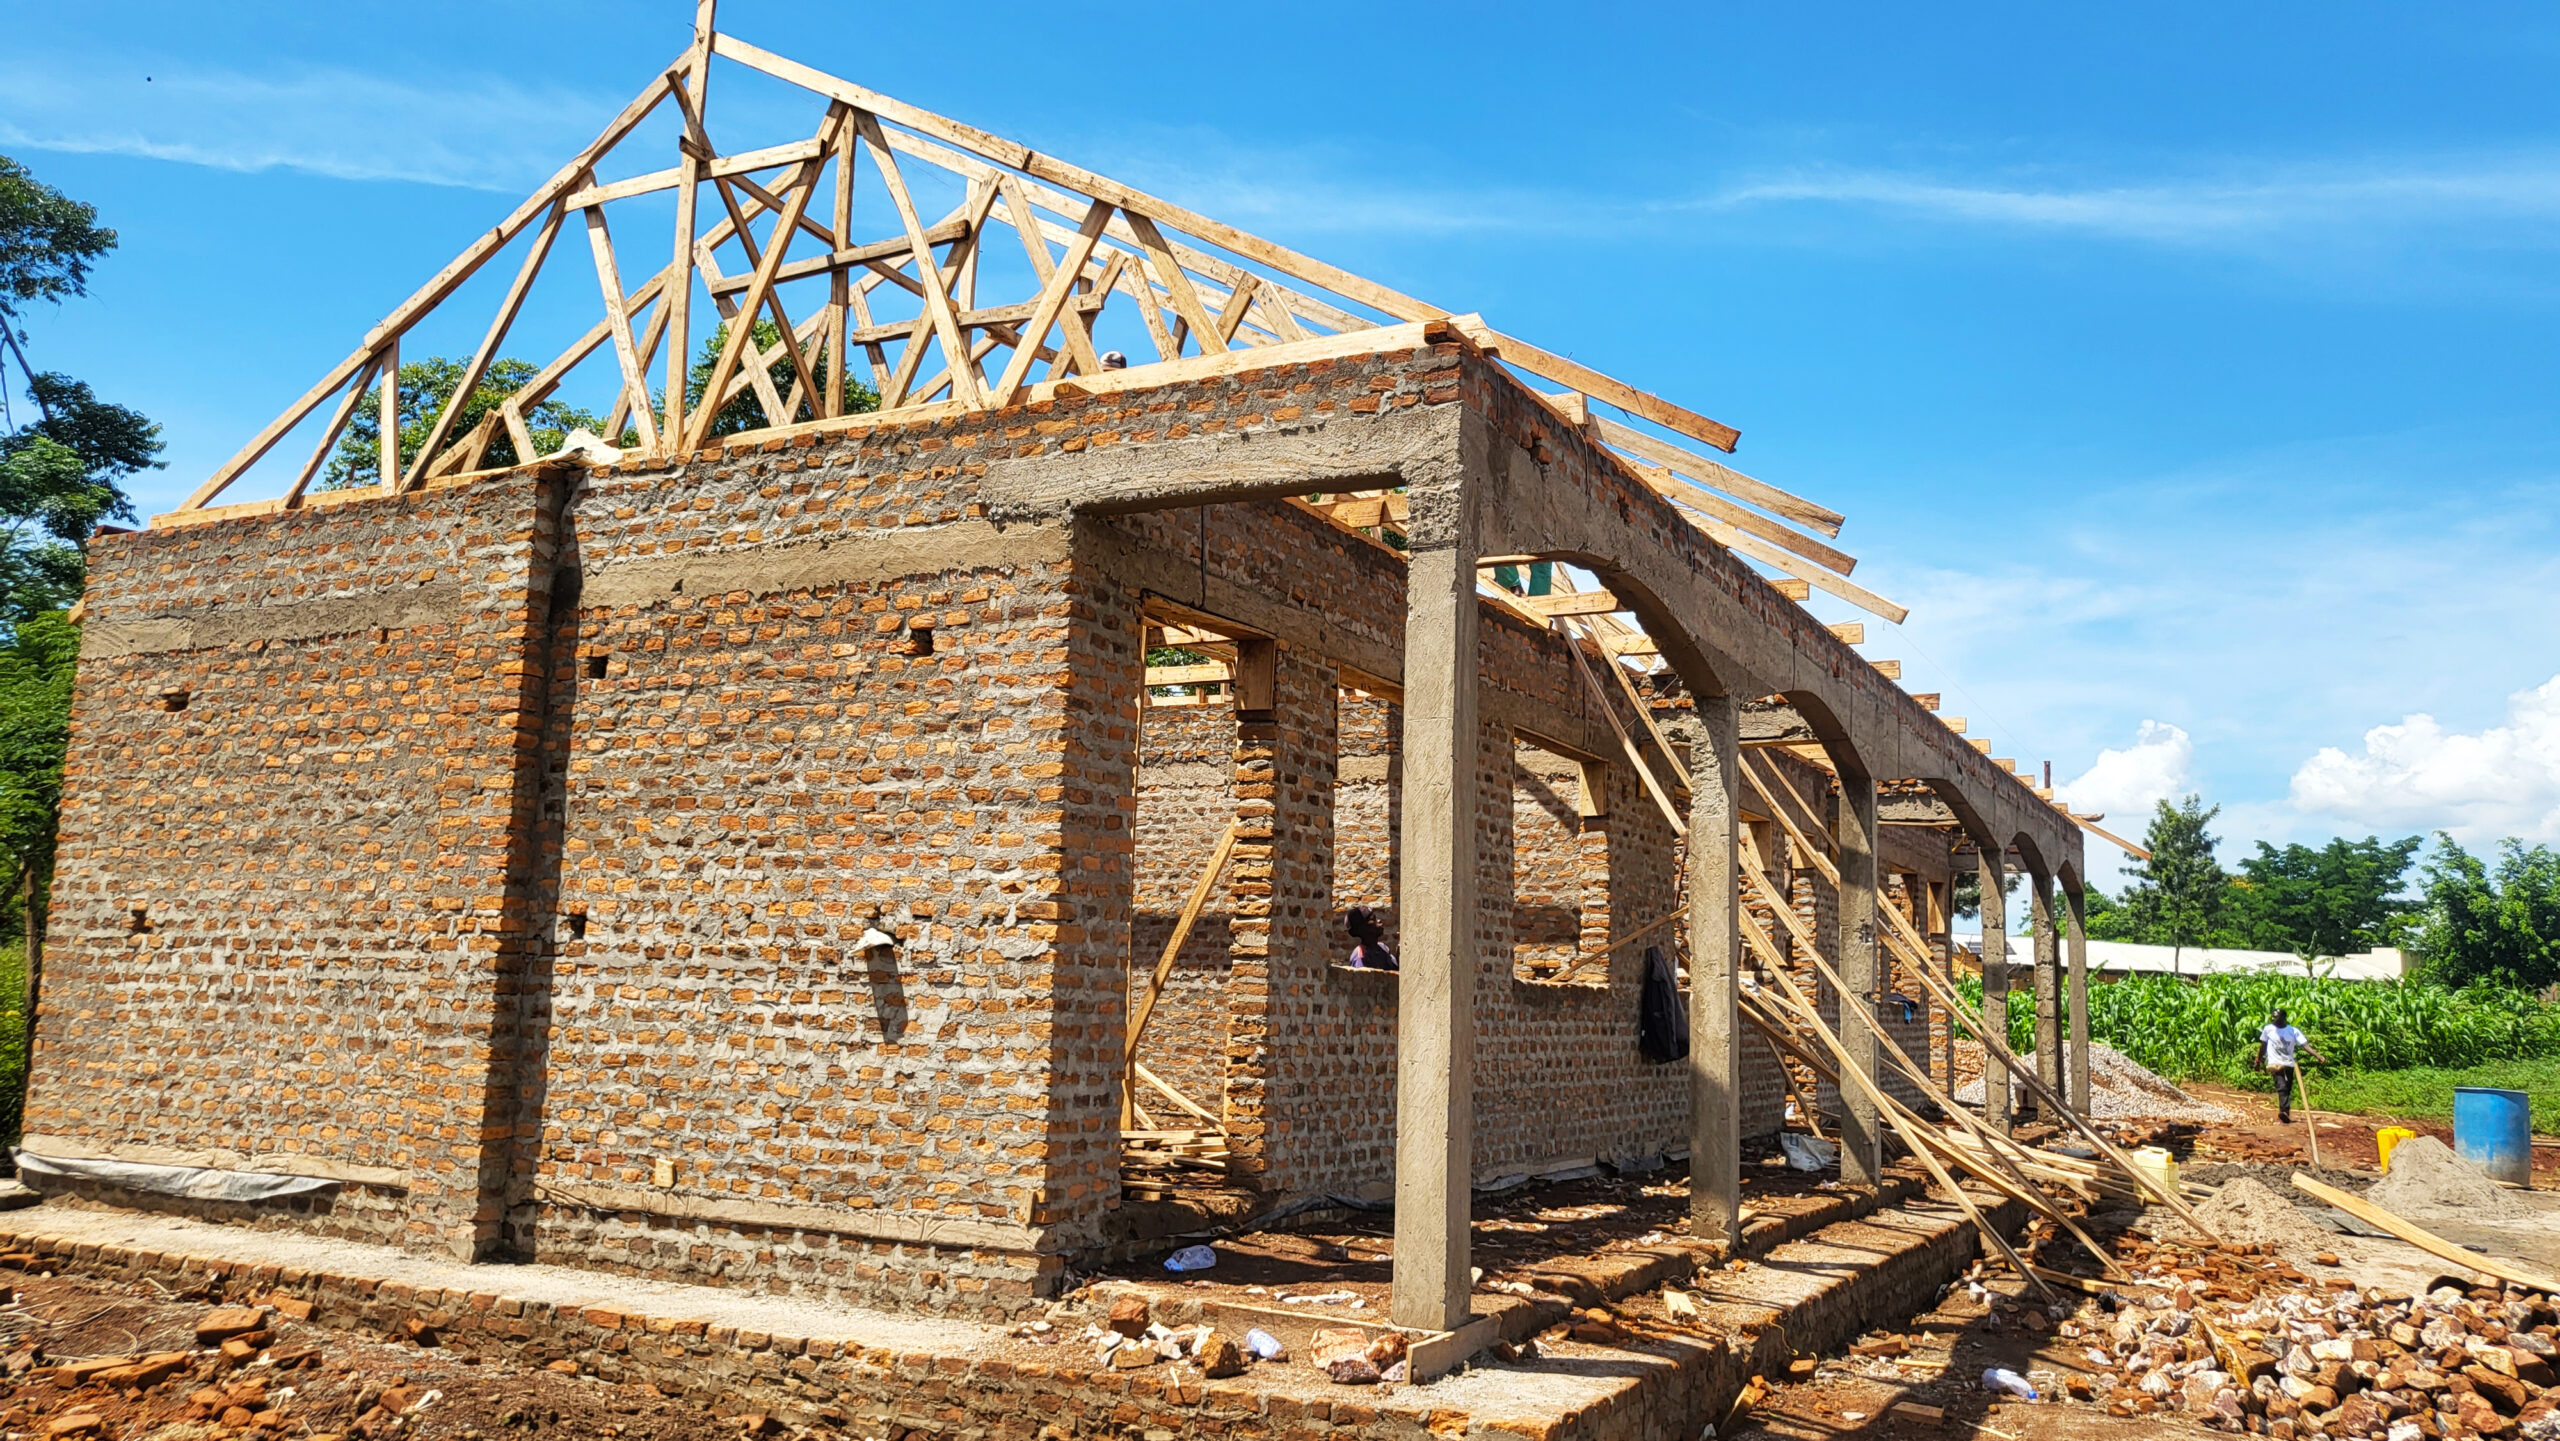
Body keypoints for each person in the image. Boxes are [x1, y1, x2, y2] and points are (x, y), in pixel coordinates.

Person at [2258, 1007, 2325, 1124]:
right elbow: (2263, 1045)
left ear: (2283, 1018)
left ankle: (2285, 1114)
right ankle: (2283, 1113)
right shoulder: (2268, 1029)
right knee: (2282, 1087)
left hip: (2289, 1063)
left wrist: (2317, 1055)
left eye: (2277, 1019)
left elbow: (2305, 1045)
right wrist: (2258, 1060)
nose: (2275, 1021)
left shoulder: (2293, 1031)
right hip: (2275, 1063)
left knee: (2287, 1089)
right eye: (2273, 1019)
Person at [1345, 906, 1398, 971]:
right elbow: (1364, 979)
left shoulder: (1383, 947)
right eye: (1374, 919)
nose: (1379, 921)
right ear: (1364, 928)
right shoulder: (1360, 956)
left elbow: (1397, 971)